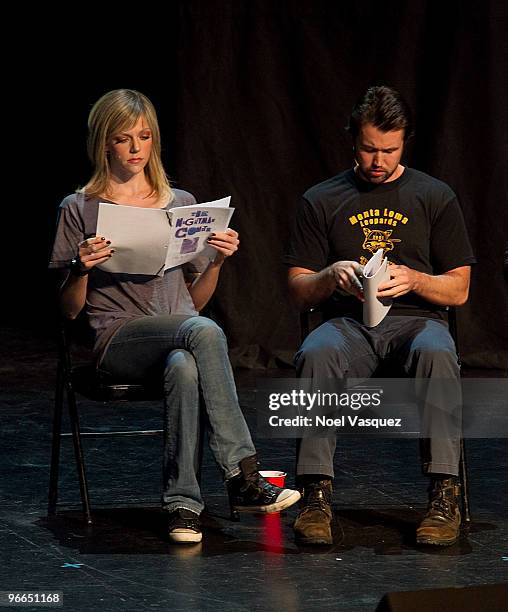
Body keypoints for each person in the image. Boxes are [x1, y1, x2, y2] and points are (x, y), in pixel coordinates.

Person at [49, 89, 300, 544]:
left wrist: (218, 262)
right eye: (124, 138)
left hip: (181, 334)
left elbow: (195, 304)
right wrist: (80, 268)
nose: (135, 148)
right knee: (200, 334)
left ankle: (183, 507)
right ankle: (243, 474)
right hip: (120, 340)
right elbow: (68, 310)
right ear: (105, 143)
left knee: (185, 366)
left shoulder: (178, 202)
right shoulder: (79, 207)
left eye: (144, 137)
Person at [284, 86, 475, 546]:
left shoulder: (434, 196)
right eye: (369, 148)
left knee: (437, 353)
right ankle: (315, 497)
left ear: (404, 142)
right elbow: (297, 289)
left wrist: (414, 279)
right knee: (316, 351)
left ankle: (444, 495)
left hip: (417, 322)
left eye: (389, 150)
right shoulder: (321, 199)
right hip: (348, 325)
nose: (378, 160)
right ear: (353, 140)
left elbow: (460, 288)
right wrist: (329, 275)